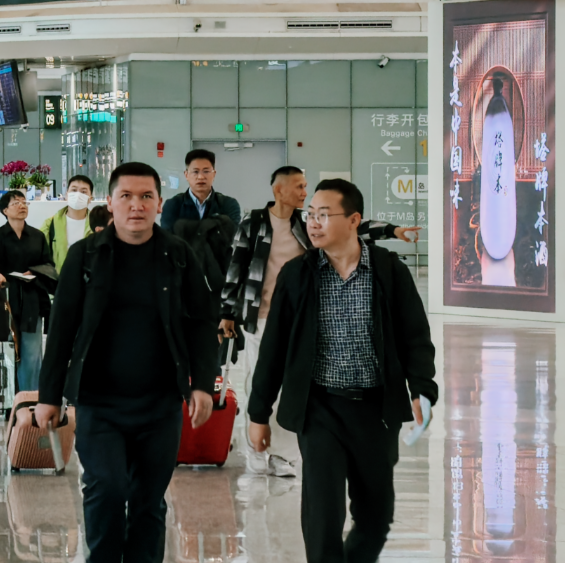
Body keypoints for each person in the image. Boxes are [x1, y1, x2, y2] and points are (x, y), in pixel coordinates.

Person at [36, 161, 217, 563]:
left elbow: (201, 323)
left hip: (160, 403)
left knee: (148, 500)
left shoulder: (178, 255)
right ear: (110, 203)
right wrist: (49, 395)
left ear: (159, 203)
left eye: (146, 196)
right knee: (106, 488)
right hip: (100, 402)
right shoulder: (85, 257)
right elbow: (62, 329)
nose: (136, 205)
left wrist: (202, 383)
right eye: (126, 196)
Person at [248, 179, 437, 563]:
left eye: (323, 215)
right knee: (322, 515)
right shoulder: (297, 275)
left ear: (354, 220)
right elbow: (274, 349)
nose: (313, 223)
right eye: (310, 214)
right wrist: (258, 413)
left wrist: (422, 390)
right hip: (320, 410)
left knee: (375, 516)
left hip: (375, 411)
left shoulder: (388, 271)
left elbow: (415, 337)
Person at [220, 166, 422, 477]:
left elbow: (357, 226)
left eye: (305, 186)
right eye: (299, 186)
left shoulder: (304, 224)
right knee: (258, 381)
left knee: (293, 388)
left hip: (301, 317)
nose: (304, 192)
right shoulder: (254, 222)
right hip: (260, 316)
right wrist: (227, 312)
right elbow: (236, 266)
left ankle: (282, 456)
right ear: (279, 191)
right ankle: (255, 451)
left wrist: (393, 231)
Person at [0, 190, 53, 392]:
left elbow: (48, 264)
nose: (22, 206)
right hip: (7, 298)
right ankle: (7, 398)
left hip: (32, 298)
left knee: (32, 353)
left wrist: (35, 271)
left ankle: (29, 399)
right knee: (7, 348)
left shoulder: (38, 236)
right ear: (5, 210)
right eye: (16, 203)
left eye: (24, 202)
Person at [160, 148, 242, 228]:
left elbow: (227, 237)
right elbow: (169, 238)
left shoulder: (228, 205)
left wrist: (183, 227)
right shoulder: (172, 205)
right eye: (195, 172)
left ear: (214, 174)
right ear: (186, 175)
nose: (201, 177)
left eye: (206, 171)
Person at [39, 174, 95, 274]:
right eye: (74, 190)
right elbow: (38, 251)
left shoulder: (97, 224)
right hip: (58, 282)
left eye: (83, 192)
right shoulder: (50, 223)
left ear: (90, 198)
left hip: (89, 282)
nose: (78, 194)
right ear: (66, 195)